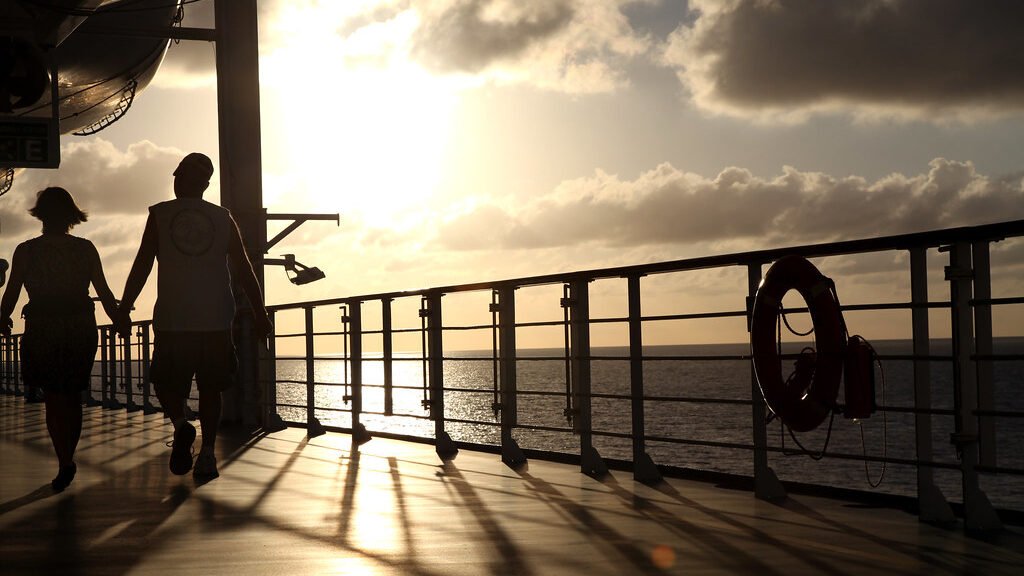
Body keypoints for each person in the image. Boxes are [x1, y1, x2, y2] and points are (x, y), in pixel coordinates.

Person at [117, 152, 271, 481]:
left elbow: (143, 264)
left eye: (177, 176)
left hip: (175, 318)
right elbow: (244, 269)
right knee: (212, 389)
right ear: (206, 184)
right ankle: (208, 455)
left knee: (165, 383)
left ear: (181, 179)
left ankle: (181, 425)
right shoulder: (223, 217)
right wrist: (260, 313)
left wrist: (124, 307)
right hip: (216, 317)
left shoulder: (160, 215)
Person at [0, 187, 120, 492]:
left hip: (43, 325)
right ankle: (68, 456)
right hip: (80, 324)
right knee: (73, 394)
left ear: (40, 214)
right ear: (71, 215)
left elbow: (12, 290)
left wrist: (2, 319)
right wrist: (119, 318)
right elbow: (104, 291)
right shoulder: (85, 248)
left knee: (53, 396)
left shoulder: (26, 251)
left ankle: (64, 459)